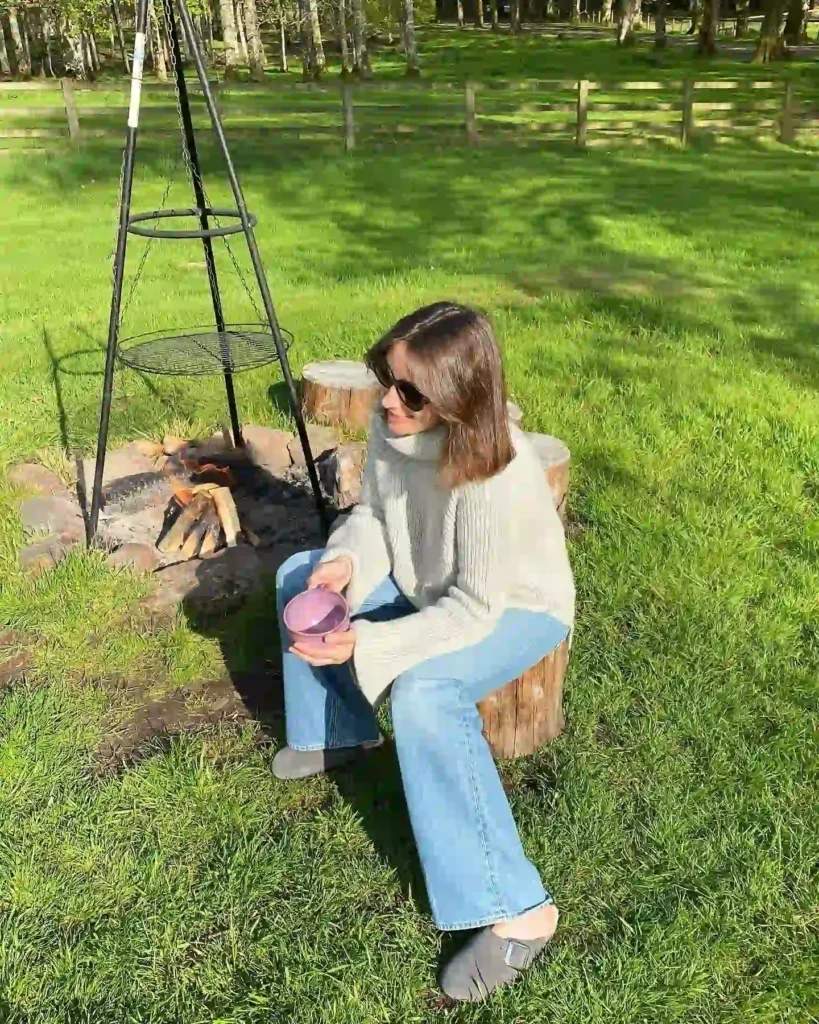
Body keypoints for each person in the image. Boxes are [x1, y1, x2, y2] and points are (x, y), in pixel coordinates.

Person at [274, 302, 575, 1002]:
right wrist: (345, 565)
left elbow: (474, 608)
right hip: (426, 575)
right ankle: (337, 732)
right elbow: (378, 516)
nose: (386, 399)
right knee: (301, 574)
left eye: (409, 390)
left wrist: (368, 642)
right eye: (386, 377)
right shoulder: (392, 425)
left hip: (514, 606)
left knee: (425, 694)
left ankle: (520, 911)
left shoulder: (491, 473)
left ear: (457, 400)